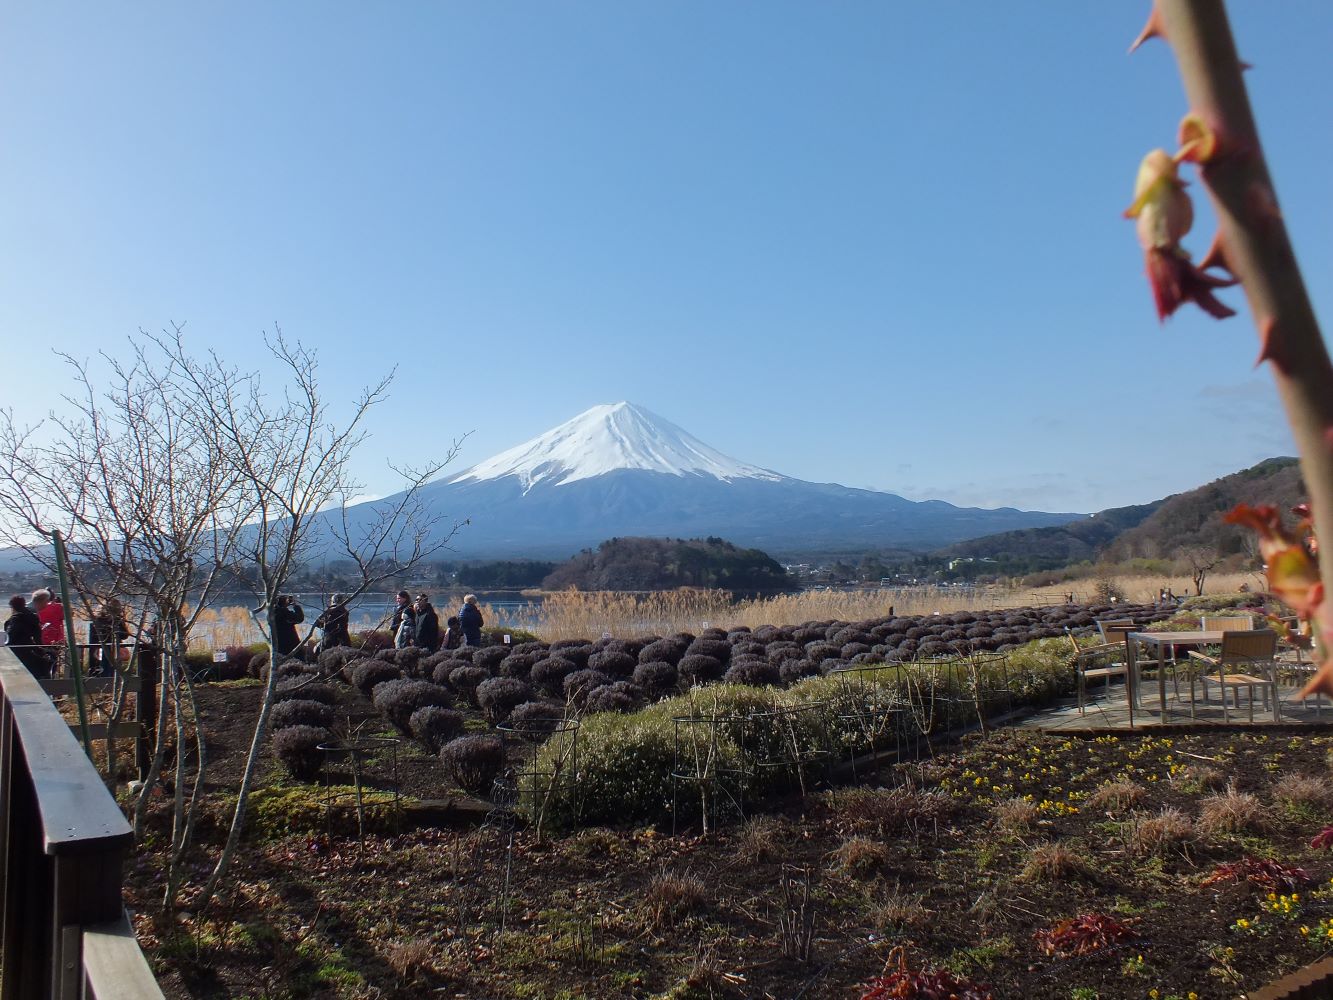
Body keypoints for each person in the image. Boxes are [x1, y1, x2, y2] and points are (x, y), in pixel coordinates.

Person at [5, 595, 49, 678]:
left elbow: (9, 638)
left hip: (16, 654)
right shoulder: (33, 617)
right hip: (30, 651)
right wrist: (41, 651)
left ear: (12, 607)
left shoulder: (15, 620)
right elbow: (38, 639)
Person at [91, 598, 130, 676]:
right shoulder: (117, 620)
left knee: (103, 668)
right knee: (114, 668)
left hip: (101, 648)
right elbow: (125, 635)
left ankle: (103, 680)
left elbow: (94, 637)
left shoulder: (97, 620)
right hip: (115, 648)